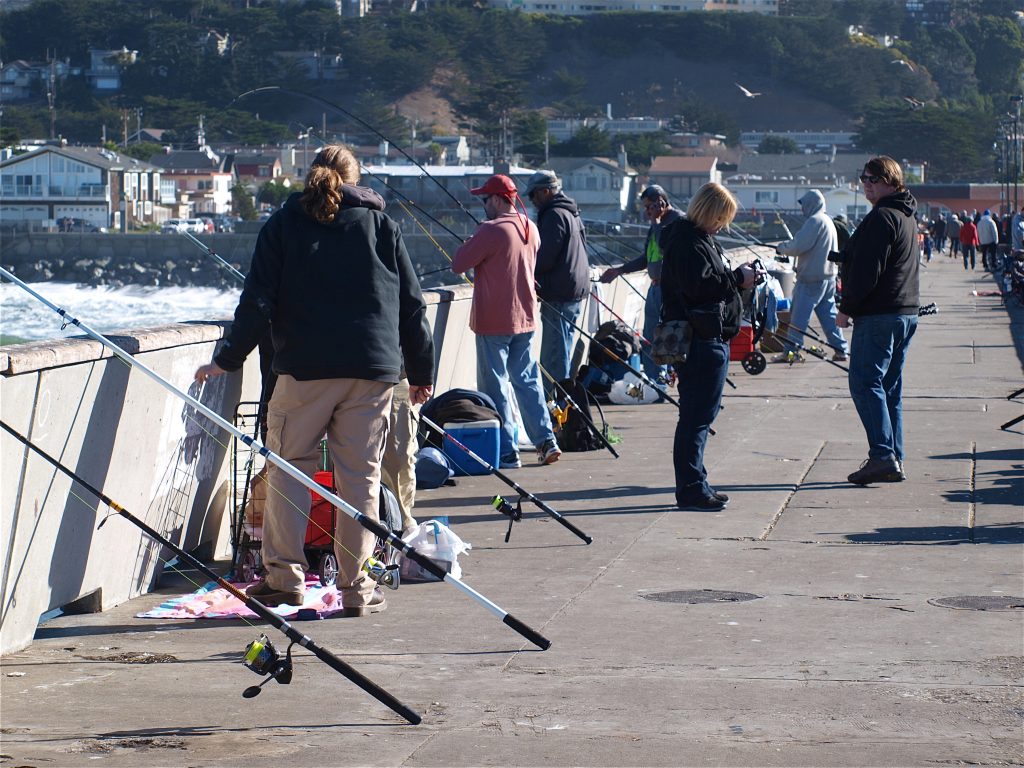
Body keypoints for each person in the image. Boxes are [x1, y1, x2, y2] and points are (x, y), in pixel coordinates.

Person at [193, 144, 435, 612]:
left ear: (312, 176)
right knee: (360, 479)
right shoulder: (383, 226)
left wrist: (227, 358)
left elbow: (257, 303)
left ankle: (285, 578)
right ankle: (357, 589)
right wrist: (421, 372)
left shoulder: (284, 225)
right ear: (355, 179)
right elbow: (412, 307)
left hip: (303, 371)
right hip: (372, 372)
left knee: (289, 471)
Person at [659, 182, 761, 511]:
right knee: (696, 418)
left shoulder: (694, 239)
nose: (723, 226)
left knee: (699, 416)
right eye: (720, 218)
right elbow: (700, 287)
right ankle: (690, 489)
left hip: (707, 337)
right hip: (701, 339)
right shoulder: (689, 242)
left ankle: (696, 482)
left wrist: (736, 279)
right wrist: (737, 279)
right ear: (708, 213)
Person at [451, 174, 561, 469]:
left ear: (498, 199)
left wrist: (471, 242)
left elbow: (458, 264)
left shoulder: (490, 230)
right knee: (527, 381)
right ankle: (546, 441)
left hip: (493, 320)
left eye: (485, 199)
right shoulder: (531, 228)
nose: (483, 204)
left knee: (495, 385)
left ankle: (507, 451)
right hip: (525, 317)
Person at [836, 156, 919, 486]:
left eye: (873, 178)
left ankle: (883, 456)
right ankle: (894, 455)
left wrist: (846, 308)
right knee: (889, 388)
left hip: (880, 315)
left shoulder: (882, 217)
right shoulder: (905, 215)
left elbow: (867, 272)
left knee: (864, 382)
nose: (866, 184)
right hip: (904, 313)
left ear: (891, 181)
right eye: (863, 178)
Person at [599, 185, 683, 384]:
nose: (647, 212)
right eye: (646, 208)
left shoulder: (678, 221)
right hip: (655, 288)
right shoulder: (656, 225)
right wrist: (619, 270)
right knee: (649, 337)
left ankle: (664, 380)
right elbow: (646, 258)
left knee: (669, 337)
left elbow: (664, 247)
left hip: (671, 289)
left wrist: (656, 221)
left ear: (661, 201)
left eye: (649, 207)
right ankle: (654, 382)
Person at [525, 169, 591, 397]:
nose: (532, 201)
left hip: (560, 294)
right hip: (574, 291)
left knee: (554, 356)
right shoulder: (571, 211)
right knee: (563, 350)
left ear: (545, 191)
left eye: (533, 195)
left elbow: (544, 258)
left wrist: (523, 267)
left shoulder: (553, 215)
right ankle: (563, 404)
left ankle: (556, 406)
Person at [773, 189, 847, 363]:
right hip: (828, 277)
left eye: (804, 205)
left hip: (811, 279)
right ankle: (841, 350)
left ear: (811, 204)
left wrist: (781, 247)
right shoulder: (828, 221)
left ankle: (791, 352)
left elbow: (798, 245)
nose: (802, 209)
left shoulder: (814, 221)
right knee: (829, 317)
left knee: (798, 317)